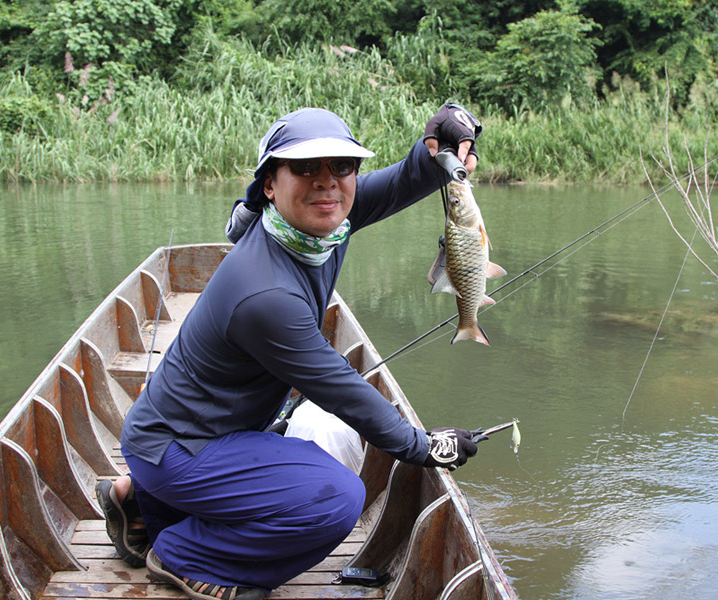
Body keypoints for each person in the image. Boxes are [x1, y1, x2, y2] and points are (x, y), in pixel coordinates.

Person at [95, 104, 485, 600]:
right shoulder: (266, 294)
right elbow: (340, 389)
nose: (327, 181)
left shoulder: (321, 222)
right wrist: (425, 446)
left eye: (342, 166)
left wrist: (438, 147)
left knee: (298, 458)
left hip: (190, 431)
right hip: (180, 448)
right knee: (338, 500)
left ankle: (138, 502)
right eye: (304, 167)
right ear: (270, 185)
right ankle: (179, 555)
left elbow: (406, 179)